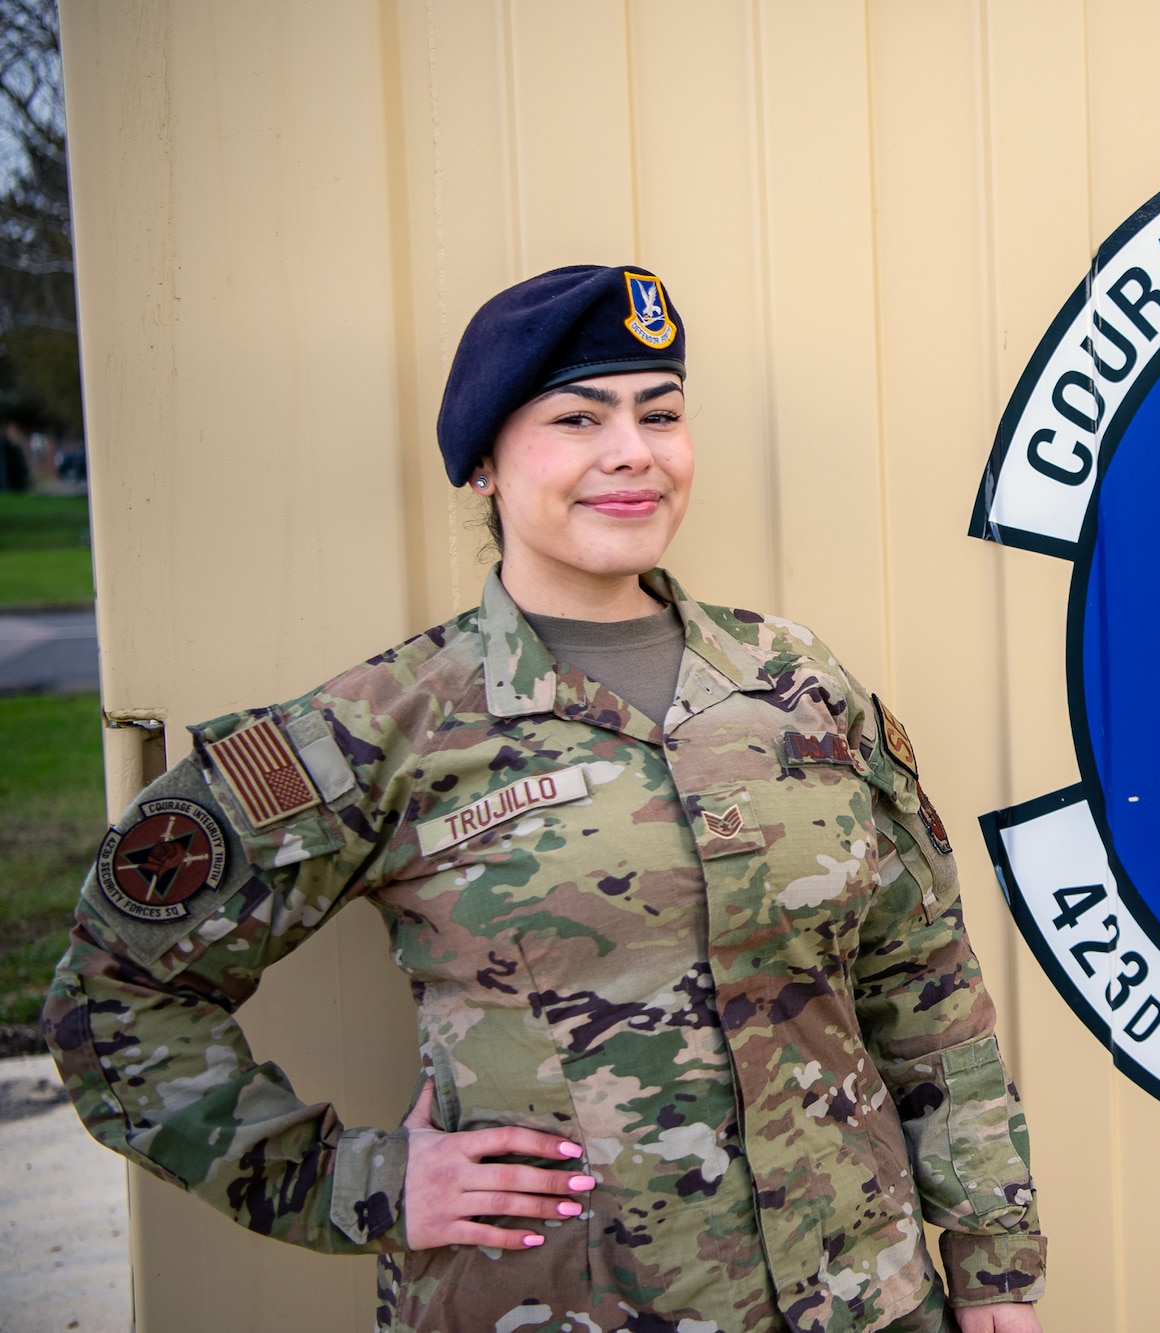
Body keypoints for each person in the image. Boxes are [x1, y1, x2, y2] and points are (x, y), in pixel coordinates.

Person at [44, 265, 1047, 1333]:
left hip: (863, 1301)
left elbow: (923, 979)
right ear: (483, 463)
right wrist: (359, 1180)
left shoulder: (796, 683)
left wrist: (995, 1266)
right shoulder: (386, 727)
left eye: (659, 413)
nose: (632, 451)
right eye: (577, 417)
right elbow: (113, 995)